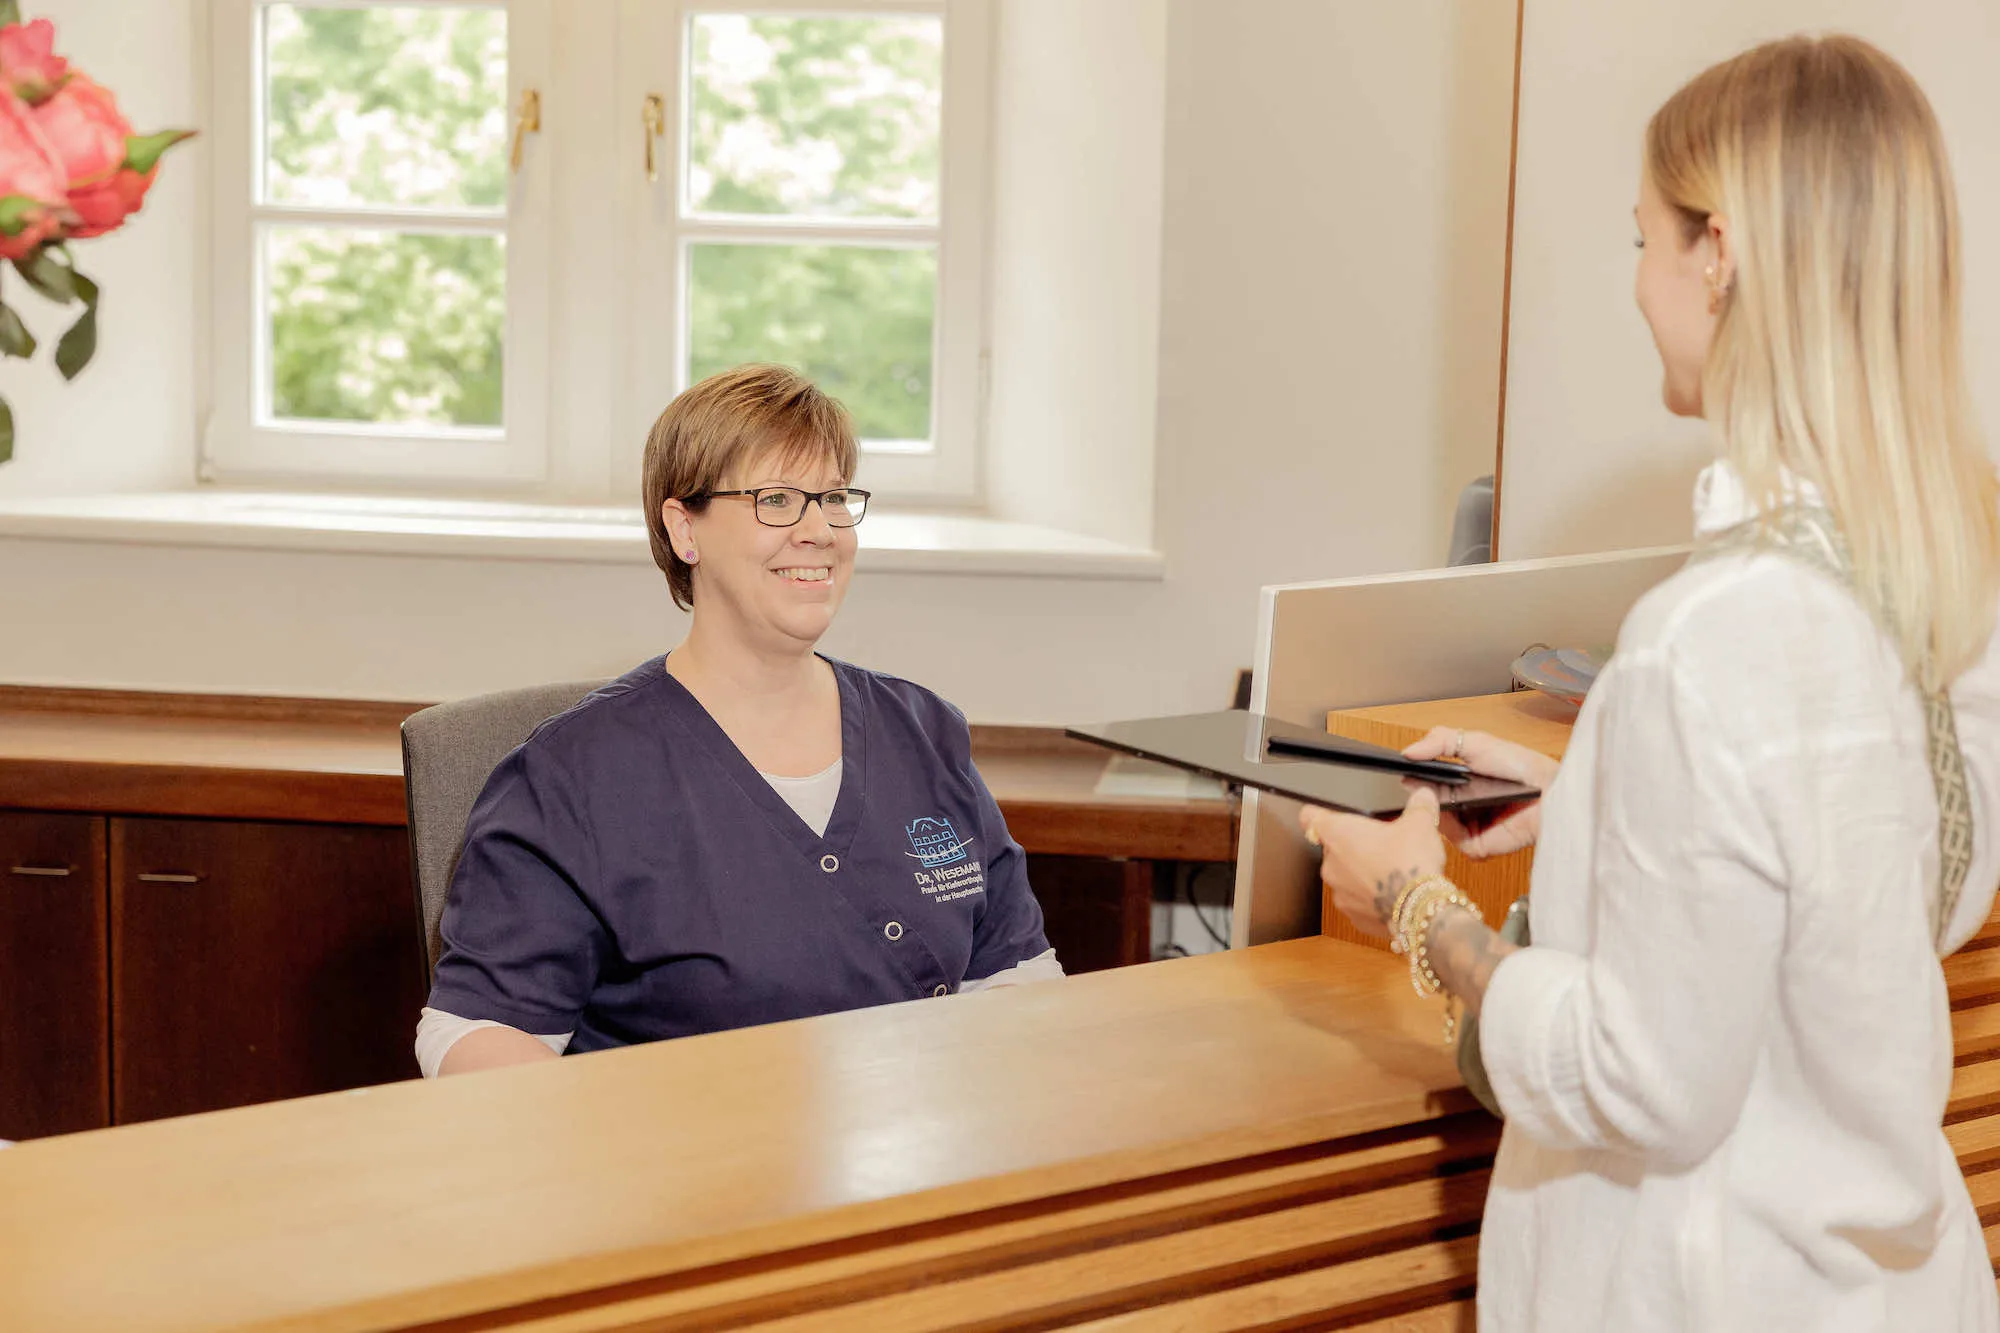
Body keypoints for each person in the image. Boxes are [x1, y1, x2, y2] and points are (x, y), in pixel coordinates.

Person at [1303, 35, 2000, 1333]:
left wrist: (1413, 906)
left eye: (1642, 241)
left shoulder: (1713, 632)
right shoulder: (1940, 576)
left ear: (1718, 254)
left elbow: (1643, 1080)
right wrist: (1595, 797)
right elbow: (1890, 884)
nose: (1634, 283)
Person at [416, 364, 1062, 1078]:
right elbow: (473, 1032)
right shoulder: (575, 777)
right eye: (777, 499)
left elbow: (1015, 975)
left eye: (834, 497)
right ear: (683, 528)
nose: (819, 529)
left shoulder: (924, 731)